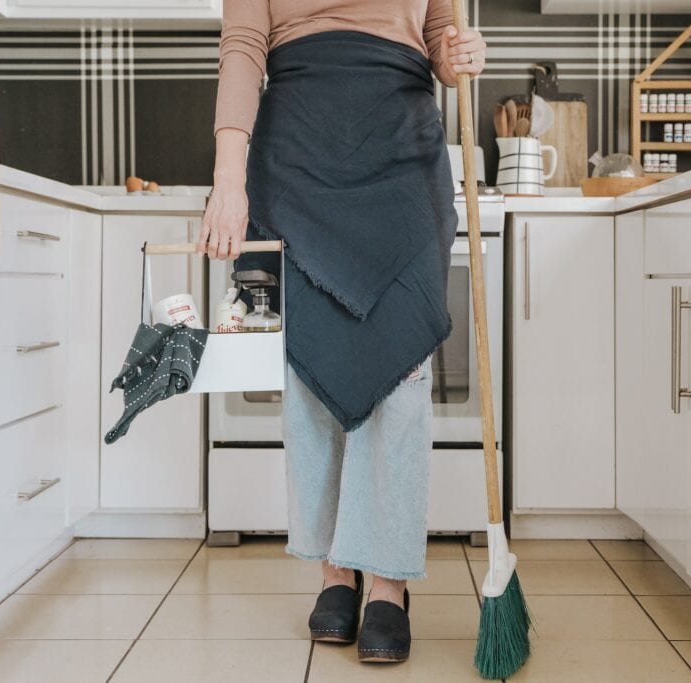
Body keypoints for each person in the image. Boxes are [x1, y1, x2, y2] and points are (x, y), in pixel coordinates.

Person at [204, 0, 486, 664]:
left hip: (401, 148)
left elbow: (440, 35)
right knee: (311, 362)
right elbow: (244, 45)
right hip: (298, 147)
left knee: (401, 365)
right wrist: (228, 179)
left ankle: (387, 577)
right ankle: (336, 566)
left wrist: (454, 57)